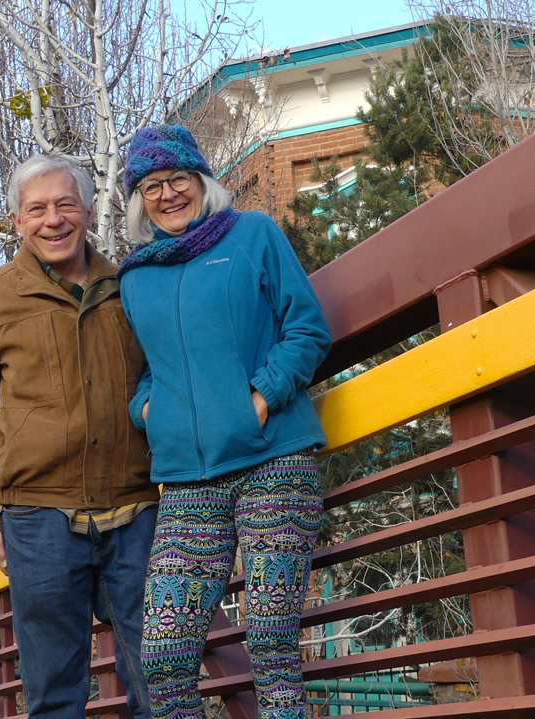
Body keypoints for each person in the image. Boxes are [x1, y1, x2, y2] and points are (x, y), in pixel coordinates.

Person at [118, 125, 331, 719]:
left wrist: (259, 398)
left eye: (178, 179)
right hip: (189, 482)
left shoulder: (254, 235)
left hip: (275, 462)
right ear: (139, 200)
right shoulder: (135, 278)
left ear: (201, 181)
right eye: (152, 186)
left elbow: (307, 330)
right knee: (162, 652)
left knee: (270, 640)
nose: (168, 194)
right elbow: (145, 372)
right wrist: (147, 411)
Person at [0, 153, 158, 719]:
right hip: (36, 521)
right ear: (17, 222)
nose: (53, 219)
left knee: (161, 678)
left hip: (137, 511)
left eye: (66, 204)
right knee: (53, 693)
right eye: (36, 209)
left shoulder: (133, 286)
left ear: (89, 211)